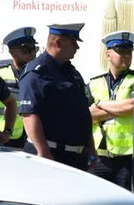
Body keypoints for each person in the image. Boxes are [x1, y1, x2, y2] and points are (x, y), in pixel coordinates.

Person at [18, 23, 96, 169]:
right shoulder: (36, 73)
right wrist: (43, 151)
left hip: (76, 156)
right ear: (58, 43)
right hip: (50, 154)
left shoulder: (71, 72)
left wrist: (91, 147)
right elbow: (29, 115)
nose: (77, 47)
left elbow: (82, 113)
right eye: (73, 42)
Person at [88, 31, 134, 189]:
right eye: (121, 51)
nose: (126, 56)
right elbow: (86, 115)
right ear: (108, 54)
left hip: (129, 159)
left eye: (129, 52)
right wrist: (119, 108)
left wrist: (100, 104)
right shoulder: (94, 83)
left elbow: (132, 106)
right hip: (99, 158)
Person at [0, 27, 39, 148]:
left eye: (34, 49)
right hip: (3, 139)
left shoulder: (40, 75)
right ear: (12, 52)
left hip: (32, 139)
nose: (32, 54)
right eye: (27, 49)